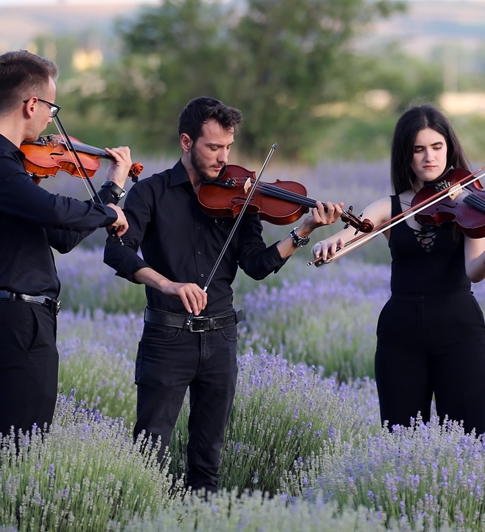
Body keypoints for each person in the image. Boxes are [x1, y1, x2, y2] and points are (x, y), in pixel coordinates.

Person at [103, 97, 343, 494]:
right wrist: (168, 285)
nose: (223, 158)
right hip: (167, 337)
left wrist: (302, 231)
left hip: (220, 340)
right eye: (214, 147)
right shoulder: (151, 193)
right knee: (149, 453)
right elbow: (117, 251)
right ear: (186, 142)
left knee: (208, 461)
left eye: (228, 147)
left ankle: (201, 522)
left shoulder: (241, 197)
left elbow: (256, 264)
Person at [0, 50, 132, 467]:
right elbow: (54, 210)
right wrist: (109, 213)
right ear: (31, 104)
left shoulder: (4, 162)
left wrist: (112, 188)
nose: (52, 122)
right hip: (16, 322)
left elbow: (61, 237)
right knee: (19, 460)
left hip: (13, 319)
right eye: (52, 108)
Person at [312, 104, 485, 436]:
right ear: (406, 155)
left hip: (459, 333)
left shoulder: (470, 203)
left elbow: (475, 271)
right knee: (400, 443)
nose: (429, 157)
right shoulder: (389, 207)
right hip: (400, 336)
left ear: (448, 149)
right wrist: (329, 243)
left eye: (437, 147)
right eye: (418, 149)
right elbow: (354, 230)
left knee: (468, 442)